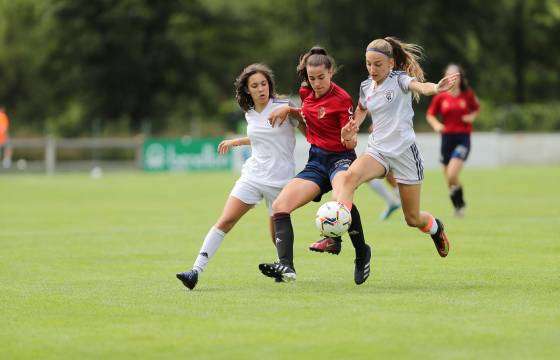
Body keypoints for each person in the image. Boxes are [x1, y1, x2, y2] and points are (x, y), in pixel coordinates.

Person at [176, 63, 305, 290]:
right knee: (225, 220)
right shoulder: (250, 113)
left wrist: (297, 114)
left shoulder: (285, 105)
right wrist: (238, 141)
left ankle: (284, 267)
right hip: (253, 176)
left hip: (280, 180)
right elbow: (263, 137)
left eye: (263, 84)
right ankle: (195, 270)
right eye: (254, 86)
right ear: (247, 90)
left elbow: (309, 128)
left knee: (275, 231)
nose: (260, 89)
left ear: (269, 85)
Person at [334, 37, 460, 259]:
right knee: (348, 178)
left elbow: (419, 85)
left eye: (378, 64)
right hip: (378, 151)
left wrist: (436, 88)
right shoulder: (366, 86)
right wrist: (354, 125)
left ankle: (436, 228)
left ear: (391, 63)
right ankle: (334, 234)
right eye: (368, 64)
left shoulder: (399, 79)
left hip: (404, 154)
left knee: (412, 219)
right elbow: (362, 108)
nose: (372, 69)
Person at [258, 46, 371, 285]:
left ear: (330, 72)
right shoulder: (306, 91)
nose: (317, 83)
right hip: (317, 161)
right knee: (280, 206)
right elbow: (309, 114)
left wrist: (347, 134)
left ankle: (360, 252)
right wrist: (290, 109)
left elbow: (349, 138)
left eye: (321, 77)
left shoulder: (341, 99)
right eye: (312, 78)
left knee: (341, 201)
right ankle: (286, 267)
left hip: (341, 158)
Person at [426, 64, 480, 217]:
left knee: (452, 174)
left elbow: (476, 108)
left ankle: (460, 204)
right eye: (450, 75)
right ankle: (459, 206)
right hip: (446, 139)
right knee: (450, 181)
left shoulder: (467, 94)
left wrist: (471, 117)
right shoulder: (441, 96)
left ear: (460, 77)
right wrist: (436, 125)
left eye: (456, 76)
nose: (453, 79)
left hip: (463, 138)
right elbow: (430, 114)